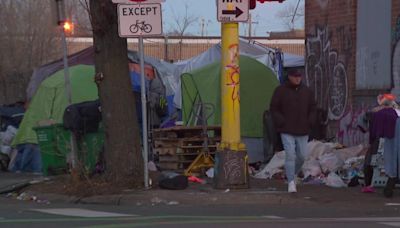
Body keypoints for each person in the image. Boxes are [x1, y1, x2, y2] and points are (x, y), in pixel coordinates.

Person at [270, 69, 316, 193]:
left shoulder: (307, 92)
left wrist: (310, 120)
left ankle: (291, 174)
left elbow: (313, 107)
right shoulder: (280, 91)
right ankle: (291, 181)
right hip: (286, 129)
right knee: (290, 155)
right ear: (289, 77)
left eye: (299, 76)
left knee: (302, 156)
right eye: (295, 76)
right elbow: (274, 108)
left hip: (303, 129)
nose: (297, 78)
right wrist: (280, 121)